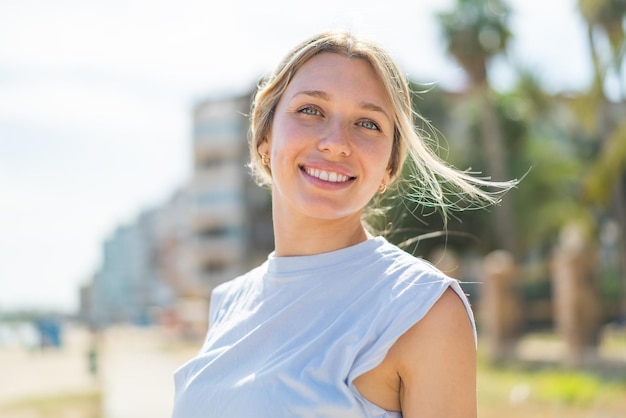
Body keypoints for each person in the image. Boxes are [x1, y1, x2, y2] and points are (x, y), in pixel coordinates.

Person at [172, 30, 516, 418]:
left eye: (368, 124)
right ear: (264, 135)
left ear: (389, 166)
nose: (336, 143)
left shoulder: (422, 308)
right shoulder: (228, 303)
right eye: (310, 110)